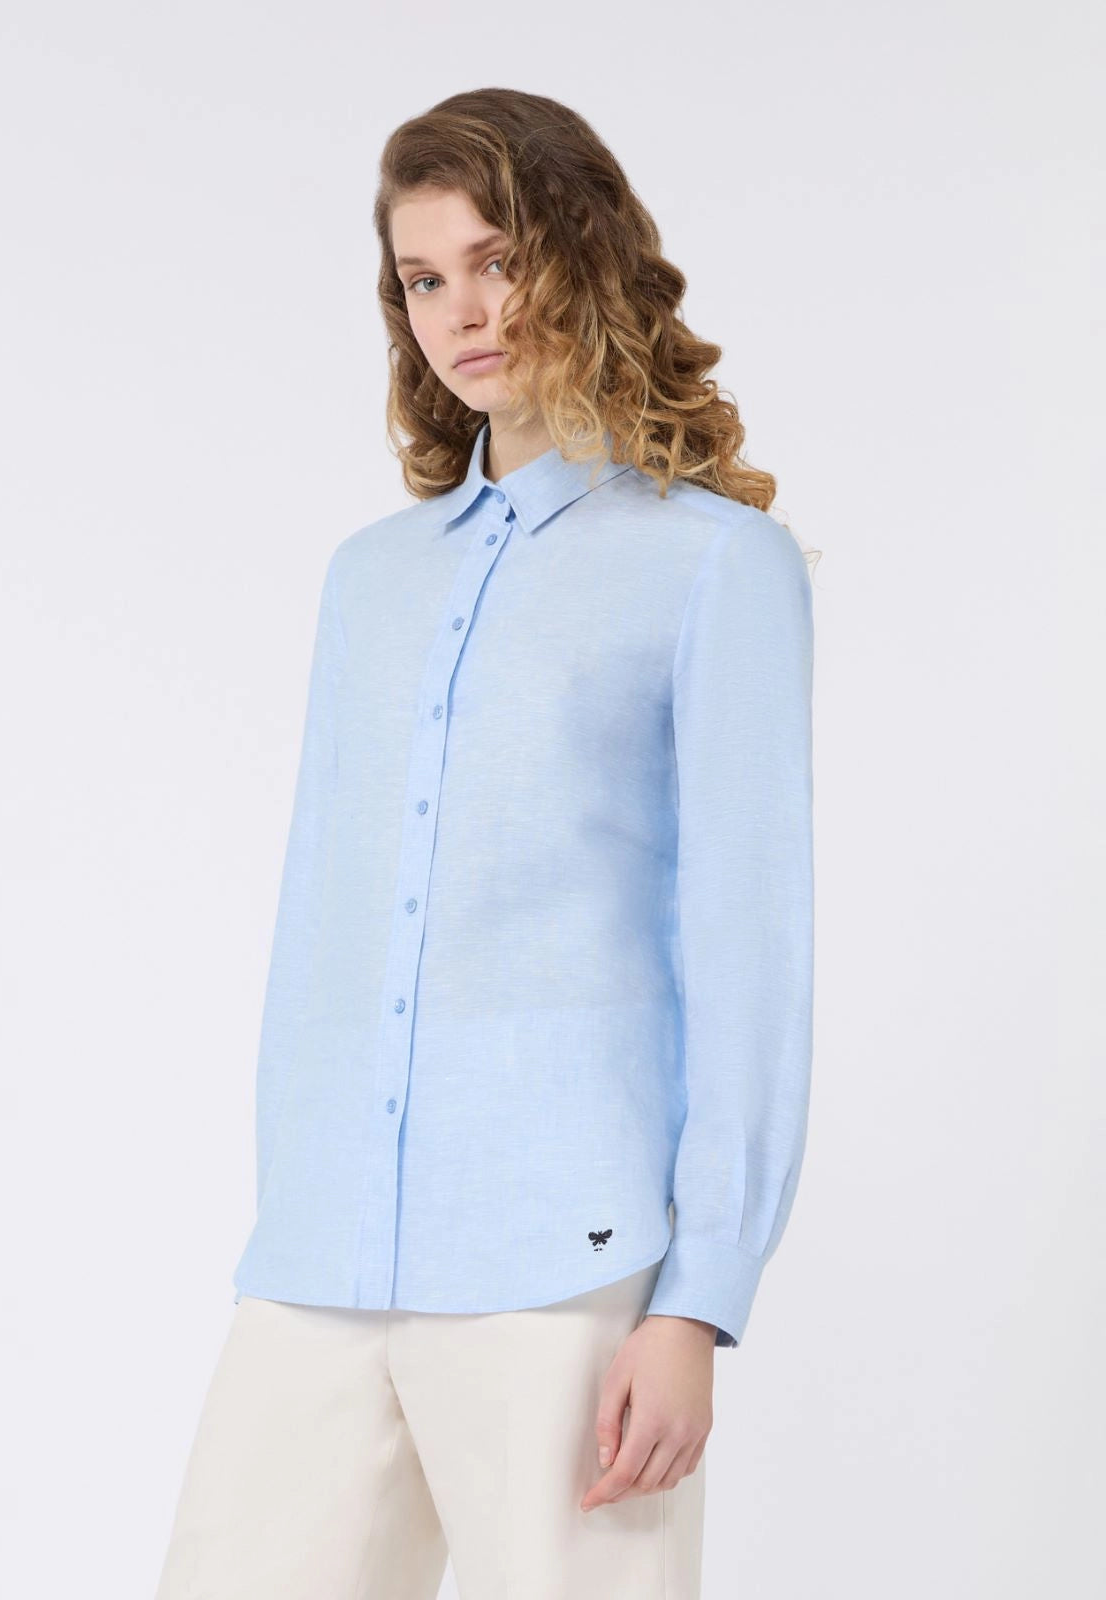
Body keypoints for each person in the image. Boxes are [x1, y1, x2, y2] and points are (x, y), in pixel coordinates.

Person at [153, 86, 817, 1600]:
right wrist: (294, 1183)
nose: (463, 310)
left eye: (499, 260)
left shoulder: (715, 567)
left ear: (582, 255)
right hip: (323, 1257)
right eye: (423, 277)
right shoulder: (368, 581)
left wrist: (696, 1301)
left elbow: (750, 955)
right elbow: (321, 927)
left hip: (564, 1271)